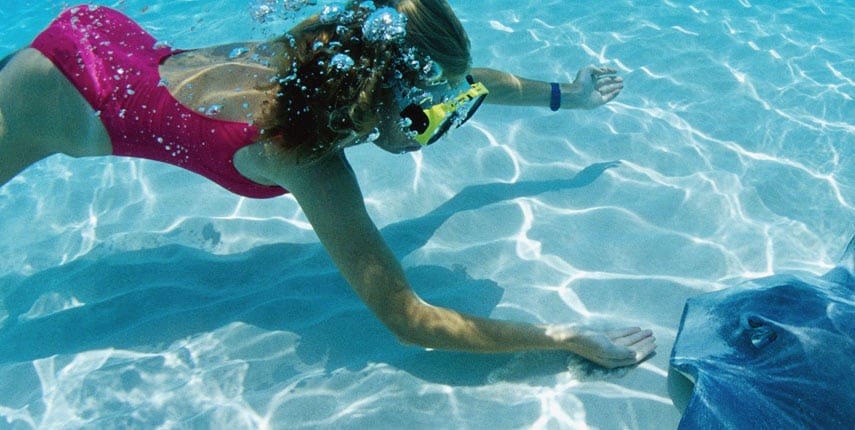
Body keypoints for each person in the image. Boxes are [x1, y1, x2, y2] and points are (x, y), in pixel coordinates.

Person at [0, 1, 655, 369]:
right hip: (67, 94)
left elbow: (476, 78)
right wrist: (564, 336)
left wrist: (568, 97)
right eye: (432, 117)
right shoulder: (306, 158)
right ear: (388, 104)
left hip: (111, 40)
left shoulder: (327, 62)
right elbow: (410, 321)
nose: (441, 124)